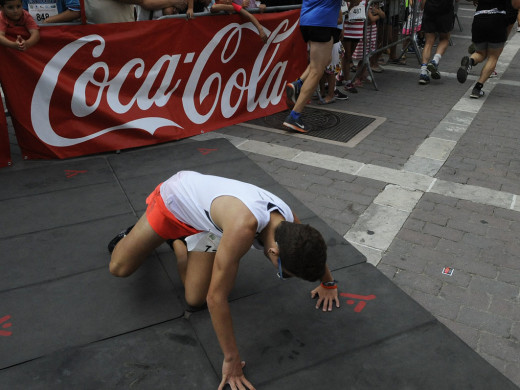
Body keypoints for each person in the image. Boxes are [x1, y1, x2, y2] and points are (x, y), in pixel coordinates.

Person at [108, 171, 340, 390]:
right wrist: (232, 360)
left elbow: (311, 248)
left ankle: (178, 242)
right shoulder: (242, 228)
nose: (284, 276)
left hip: (210, 226)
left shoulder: (289, 224)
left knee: (194, 298)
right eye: (284, 273)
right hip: (174, 203)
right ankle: (134, 235)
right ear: (274, 252)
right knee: (119, 267)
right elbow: (216, 298)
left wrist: (328, 282)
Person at [283, 0, 342, 133]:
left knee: (325, 60)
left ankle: (298, 84)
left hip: (308, 20)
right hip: (322, 21)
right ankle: (294, 116)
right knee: (317, 70)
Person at [456, 0, 514, 98]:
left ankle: (470, 61)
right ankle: (477, 88)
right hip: (498, 20)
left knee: (480, 53)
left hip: (479, 19)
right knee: (493, 57)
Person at [418, 0, 454, 84]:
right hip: (445, 9)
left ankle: (423, 72)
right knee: (444, 39)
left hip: (430, 8)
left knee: (429, 42)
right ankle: (435, 61)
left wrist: (423, 6)